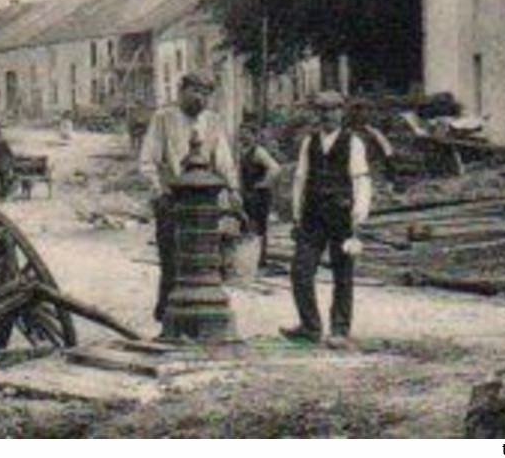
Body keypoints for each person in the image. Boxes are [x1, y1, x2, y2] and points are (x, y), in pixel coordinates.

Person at [138, 73, 237, 323]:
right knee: (172, 262)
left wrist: (233, 192)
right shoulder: (164, 118)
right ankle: (168, 316)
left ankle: (201, 316)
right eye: (196, 91)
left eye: (206, 94)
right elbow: (148, 161)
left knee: (206, 262)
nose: (200, 98)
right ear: (181, 91)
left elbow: (224, 161)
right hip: (173, 199)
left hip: (204, 204)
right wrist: (159, 191)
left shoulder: (212, 121)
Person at [281, 90, 371, 347]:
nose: (327, 115)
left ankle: (340, 330)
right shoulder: (309, 142)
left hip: (342, 217)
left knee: (343, 274)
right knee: (300, 271)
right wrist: (297, 214)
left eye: (332, 110)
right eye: (322, 110)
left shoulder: (353, 142)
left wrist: (359, 216)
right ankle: (310, 327)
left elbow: (361, 180)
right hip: (312, 217)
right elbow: (301, 178)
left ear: (341, 112)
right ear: (316, 114)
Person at [238, 123, 284, 265]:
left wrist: (263, 183)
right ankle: (250, 257)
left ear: (254, 136)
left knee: (259, 226)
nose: (243, 136)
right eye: (242, 133)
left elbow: (275, 168)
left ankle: (259, 259)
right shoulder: (242, 151)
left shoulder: (259, 152)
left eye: (247, 133)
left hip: (259, 196)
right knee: (247, 225)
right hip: (248, 194)